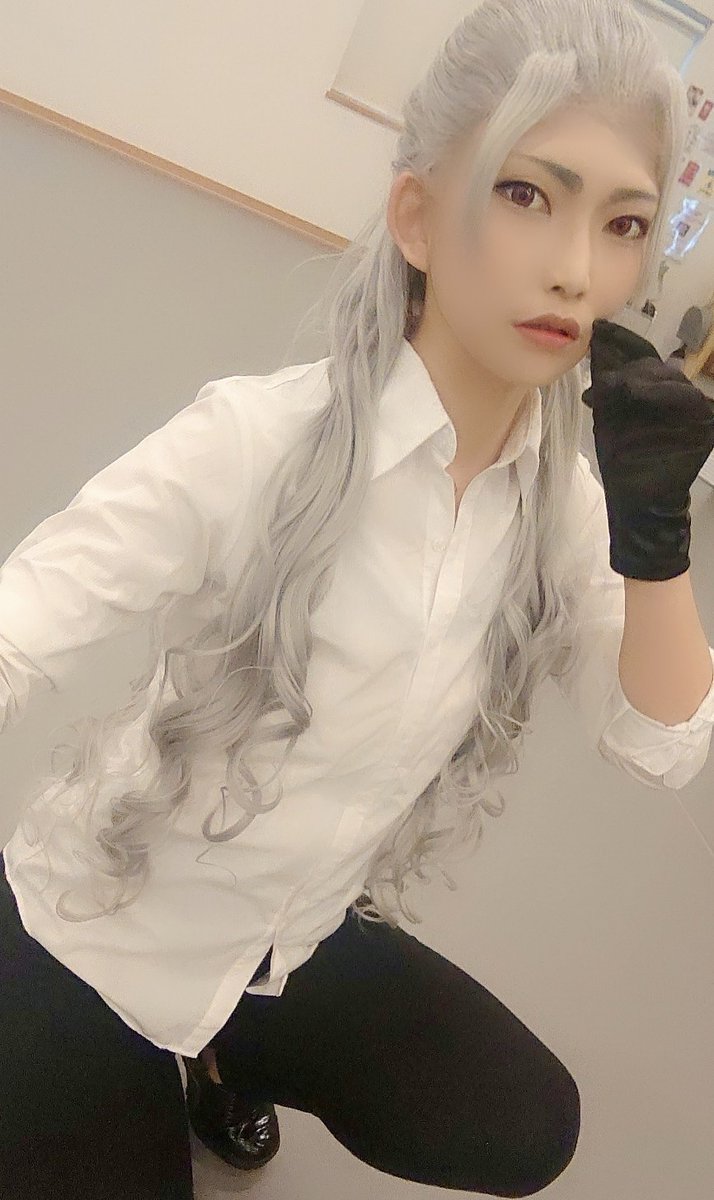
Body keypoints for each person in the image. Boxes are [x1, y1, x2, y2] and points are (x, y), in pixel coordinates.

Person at [1, 1, 710, 1197]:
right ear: (419, 216)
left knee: (524, 1123)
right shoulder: (257, 440)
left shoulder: (567, 510)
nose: (576, 268)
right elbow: (21, 621)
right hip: (97, 934)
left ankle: (226, 1052)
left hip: (289, 940)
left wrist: (658, 544)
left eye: (623, 223)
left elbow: (661, 745)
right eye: (526, 195)